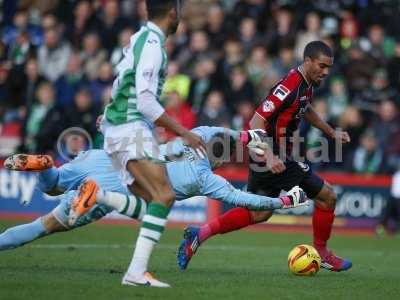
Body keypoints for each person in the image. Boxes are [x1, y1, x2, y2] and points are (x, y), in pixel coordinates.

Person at [178, 41, 353, 272]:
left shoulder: (308, 83)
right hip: (272, 155)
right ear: (308, 61)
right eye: (322, 66)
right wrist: (269, 156)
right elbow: (256, 121)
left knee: (259, 212)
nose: (326, 72)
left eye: (328, 67)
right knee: (327, 196)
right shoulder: (290, 85)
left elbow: (305, 108)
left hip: (271, 156)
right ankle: (322, 253)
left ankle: (199, 234)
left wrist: (330, 131)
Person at [1, 127, 307, 255]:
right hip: (116, 185)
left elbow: (226, 132)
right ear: (222, 158)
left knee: (53, 184)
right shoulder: (204, 178)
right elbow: (243, 199)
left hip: (107, 159)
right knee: (44, 226)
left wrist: (247, 137)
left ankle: (43, 166)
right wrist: (281, 200)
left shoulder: (197, 134)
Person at [80, 0, 206, 287]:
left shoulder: (139, 38)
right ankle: (136, 273)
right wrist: (184, 132)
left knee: (150, 202)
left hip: (121, 126)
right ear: (173, 13)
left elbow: (120, 80)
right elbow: (146, 101)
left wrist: (110, 113)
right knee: (164, 195)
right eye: (180, 12)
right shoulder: (152, 46)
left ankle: (97, 196)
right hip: (131, 128)